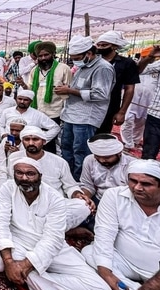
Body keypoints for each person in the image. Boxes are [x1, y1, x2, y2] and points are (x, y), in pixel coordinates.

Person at [0, 158, 113, 290]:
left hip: (53, 248)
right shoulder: (8, 189)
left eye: (30, 174)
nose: (24, 178)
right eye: (19, 173)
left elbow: (53, 239)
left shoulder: (54, 198)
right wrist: (9, 261)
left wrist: (26, 265)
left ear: (40, 175)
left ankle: (33, 279)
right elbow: (1, 224)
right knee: (1, 262)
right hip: (19, 243)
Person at [82, 159, 160, 290]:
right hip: (122, 260)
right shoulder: (114, 196)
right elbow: (104, 234)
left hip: (159, 272)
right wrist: (106, 273)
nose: (137, 188)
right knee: (89, 252)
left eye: (146, 184)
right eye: (133, 181)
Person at [9, 126, 95, 232]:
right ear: (22, 141)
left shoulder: (59, 161)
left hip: (53, 205)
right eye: (27, 139)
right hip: (25, 202)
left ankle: (39, 229)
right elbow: (10, 182)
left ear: (44, 141)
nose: (31, 143)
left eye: (35, 139)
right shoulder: (14, 158)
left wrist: (77, 194)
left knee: (83, 206)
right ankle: (60, 231)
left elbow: (70, 186)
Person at [55, 35, 115, 181]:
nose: (75, 61)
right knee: (66, 148)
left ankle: (79, 181)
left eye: (77, 57)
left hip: (86, 117)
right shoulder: (83, 67)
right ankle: (67, 177)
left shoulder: (102, 68)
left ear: (89, 53)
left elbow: (101, 94)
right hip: (72, 114)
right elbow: (80, 87)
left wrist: (69, 91)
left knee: (80, 151)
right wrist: (68, 88)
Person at [17, 41, 72, 153]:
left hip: (54, 113)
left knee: (49, 142)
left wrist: (65, 90)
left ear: (53, 54)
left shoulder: (63, 69)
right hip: (37, 111)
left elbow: (69, 92)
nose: (43, 58)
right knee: (35, 140)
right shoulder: (34, 71)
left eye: (46, 55)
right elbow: (31, 91)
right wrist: (23, 84)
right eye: (40, 56)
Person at [95, 31, 140, 134]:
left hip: (110, 106)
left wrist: (122, 112)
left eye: (105, 45)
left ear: (114, 46)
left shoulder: (127, 63)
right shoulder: (94, 61)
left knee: (101, 136)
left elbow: (129, 88)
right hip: (90, 104)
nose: (101, 47)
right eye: (99, 45)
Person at [80, 133, 136, 203]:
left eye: (107, 157)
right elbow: (87, 185)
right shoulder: (89, 160)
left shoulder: (132, 165)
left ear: (119, 153)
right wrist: (84, 200)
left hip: (124, 201)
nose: (102, 160)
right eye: (97, 156)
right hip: (99, 199)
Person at [137, 46, 160, 164]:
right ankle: (146, 179)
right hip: (157, 114)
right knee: (149, 153)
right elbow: (138, 70)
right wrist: (150, 56)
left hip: (157, 114)